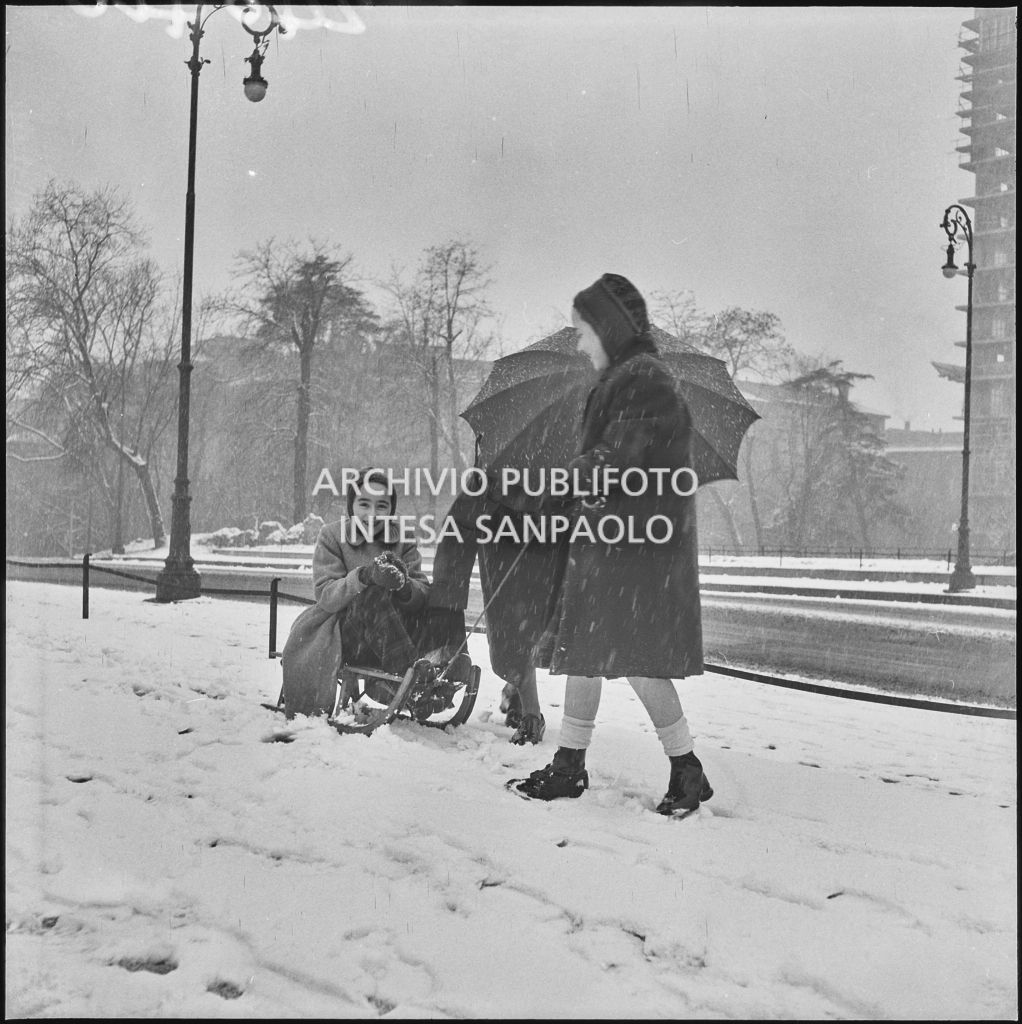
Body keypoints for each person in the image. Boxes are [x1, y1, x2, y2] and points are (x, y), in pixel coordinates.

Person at [513, 273, 712, 815]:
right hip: (614, 542)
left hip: (635, 551)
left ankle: (686, 767)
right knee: (586, 651)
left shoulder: (643, 380)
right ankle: (570, 765)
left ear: (607, 327)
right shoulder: (626, 378)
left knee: (636, 659)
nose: (580, 344)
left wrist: (560, 484)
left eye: (583, 331)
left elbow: (621, 458)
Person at [280, 467, 469, 717]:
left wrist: (404, 587)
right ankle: (411, 684)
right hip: (348, 635)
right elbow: (326, 596)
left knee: (445, 596)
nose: (372, 513)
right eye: (364, 504)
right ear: (351, 506)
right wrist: (364, 577)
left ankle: (447, 666)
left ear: (390, 509)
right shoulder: (332, 536)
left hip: (395, 633)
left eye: (381, 506)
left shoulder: (402, 537)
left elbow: (422, 589)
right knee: (372, 595)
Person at [427, 477, 570, 745]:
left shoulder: (564, 470)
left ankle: (522, 695)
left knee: (540, 623)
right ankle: (530, 708)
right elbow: (459, 527)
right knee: (509, 629)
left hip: (552, 535)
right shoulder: (492, 472)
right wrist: (448, 597)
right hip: (501, 541)